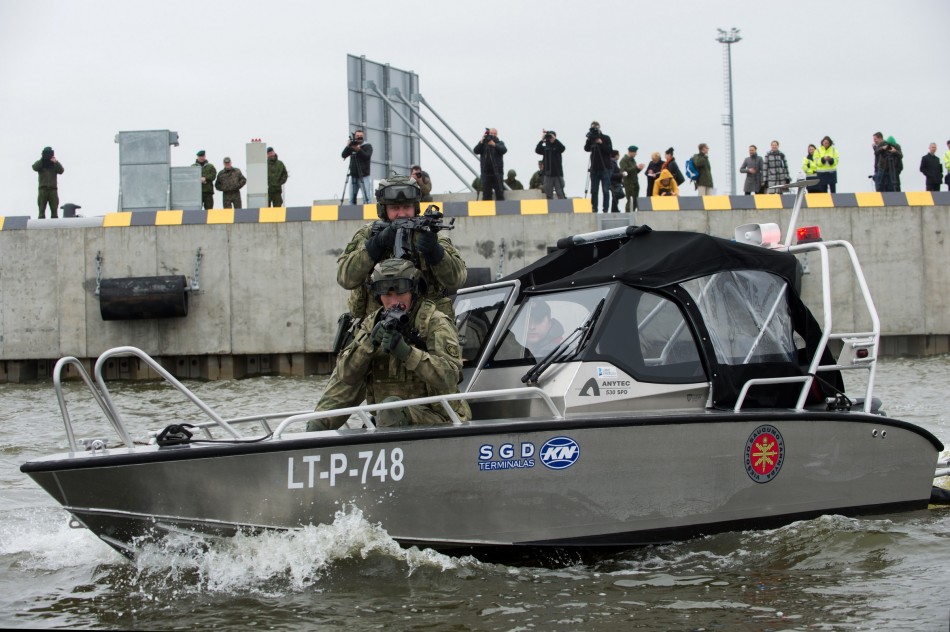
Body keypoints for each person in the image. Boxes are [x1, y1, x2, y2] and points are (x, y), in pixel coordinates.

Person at [312, 258, 471, 429]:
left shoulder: (435, 322)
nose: (394, 301)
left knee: (390, 409)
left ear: (414, 291)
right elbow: (346, 375)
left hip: (441, 417)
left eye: (400, 293)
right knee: (318, 423)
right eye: (387, 295)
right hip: (389, 419)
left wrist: (408, 353)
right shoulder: (372, 323)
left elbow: (450, 378)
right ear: (377, 296)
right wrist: (369, 344)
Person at [337, 174, 467, 320]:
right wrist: (376, 244)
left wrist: (435, 252)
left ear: (415, 207)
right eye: (395, 208)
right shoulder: (368, 235)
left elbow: (457, 279)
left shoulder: (428, 235)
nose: (402, 214)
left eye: (407, 207)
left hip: (425, 325)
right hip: (375, 325)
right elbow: (345, 279)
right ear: (383, 209)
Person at [583, 121, 613, 213]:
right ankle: (594, 208)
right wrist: (589, 139)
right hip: (594, 168)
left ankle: (605, 209)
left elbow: (609, 151)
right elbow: (586, 148)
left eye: (596, 127)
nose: (595, 129)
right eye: (593, 127)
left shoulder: (606, 138)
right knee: (594, 190)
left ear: (599, 128)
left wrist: (601, 143)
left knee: (605, 190)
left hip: (605, 168)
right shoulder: (591, 139)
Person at [473, 127, 507, 201]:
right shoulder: (483, 144)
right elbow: (476, 151)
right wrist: (481, 142)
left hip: (497, 172)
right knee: (486, 194)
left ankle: (501, 207)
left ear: (497, 135)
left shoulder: (500, 143)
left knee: (500, 193)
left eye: (494, 134)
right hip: (486, 172)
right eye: (491, 133)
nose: (493, 135)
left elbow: (504, 150)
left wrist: (494, 145)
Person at [32, 146, 64, 219]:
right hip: (43, 189)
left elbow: (61, 171)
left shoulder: (54, 164)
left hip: (53, 189)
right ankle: (41, 223)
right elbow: (34, 167)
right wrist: (42, 159)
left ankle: (54, 223)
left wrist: (55, 162)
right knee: (41, 212)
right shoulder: (41, 164)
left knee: (54, 212)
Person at [342, 129, 373, 204]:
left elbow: (367, 156)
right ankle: (352, 211)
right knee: (351, 199)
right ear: (354, 137)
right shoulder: (352, 146)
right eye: (357, 136)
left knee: (367, 199)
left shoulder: (367, 146)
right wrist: (348, 146)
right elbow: (343, 155)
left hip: (364, 175)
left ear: (363, 136)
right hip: (353, 175)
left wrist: (359, 150)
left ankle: (367, 211)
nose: (359, 137)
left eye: (361, 136)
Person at [535, 129, 566, 199]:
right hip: (548, 175)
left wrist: (555, 140)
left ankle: (562, 206)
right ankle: (550, 206)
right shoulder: (545, 149)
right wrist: (542, 140)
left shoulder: (558, 148)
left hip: (558, 174)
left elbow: (563, 148)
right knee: (549, 195)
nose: (549, 138)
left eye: (551, 137)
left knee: (560, 194)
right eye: (548, 137)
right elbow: (537, 150)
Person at [619, 145, 644, 212]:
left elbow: (634, 172)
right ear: (630, 152)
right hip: (629, 183)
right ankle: (628, 213)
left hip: (635, 182)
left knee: (635, 200)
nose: (636, 154)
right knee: (630, 199)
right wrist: (635, 167)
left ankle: (633, 212)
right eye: (634, 152)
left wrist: (639, 169)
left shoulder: (633, 160)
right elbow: (625, 172)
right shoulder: (624, 160)